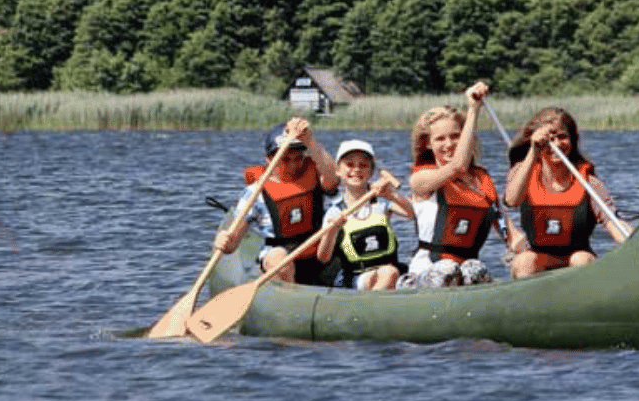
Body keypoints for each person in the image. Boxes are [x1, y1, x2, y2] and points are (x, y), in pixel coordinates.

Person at [402, 80, 515, 287]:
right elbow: (457, 167)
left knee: (475, 269)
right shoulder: (420, 180)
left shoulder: (482, 181)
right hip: (427, 271)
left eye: (455, 136)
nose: (448, 145)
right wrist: (473, 109)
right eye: (440, 139)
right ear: (428, 144)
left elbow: (510, 234)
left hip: (467, 271)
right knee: (448, 269)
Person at [503, 106, 627, 278]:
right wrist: (534, 150)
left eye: (562, 137)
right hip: (538, 259)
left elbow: (613, 223)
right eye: (548, 139)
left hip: (575, 257)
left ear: (572, 141)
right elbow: (512, 200)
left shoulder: (589, 183)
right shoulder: (523, 172)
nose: (556, 144)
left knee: (582, 259)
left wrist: (637, 243)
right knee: (525, 261)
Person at [214, 117, 339, 285]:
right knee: (279, 257)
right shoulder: (255, 193)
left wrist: (309, 140)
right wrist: (223, 240)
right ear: (269, 159)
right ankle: (289, 300)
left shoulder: (316, 175)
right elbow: (232, 244)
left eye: (298, 158)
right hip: (278, 257)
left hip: (318, 254)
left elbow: (333, 178)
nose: (293, 165)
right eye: (285, 159)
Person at [314, 138, 415, 291]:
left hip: (387, 273)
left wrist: (391, 195)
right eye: (349, 164)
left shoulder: (381, 203)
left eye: (363, 165)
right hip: (354, 278)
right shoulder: (335, 212)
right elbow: (323, 257)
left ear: (371, 171)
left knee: (391, 273)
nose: (356, 170)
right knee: (389, 273)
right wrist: (332, 231)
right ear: (338, 170)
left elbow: (411, 213)